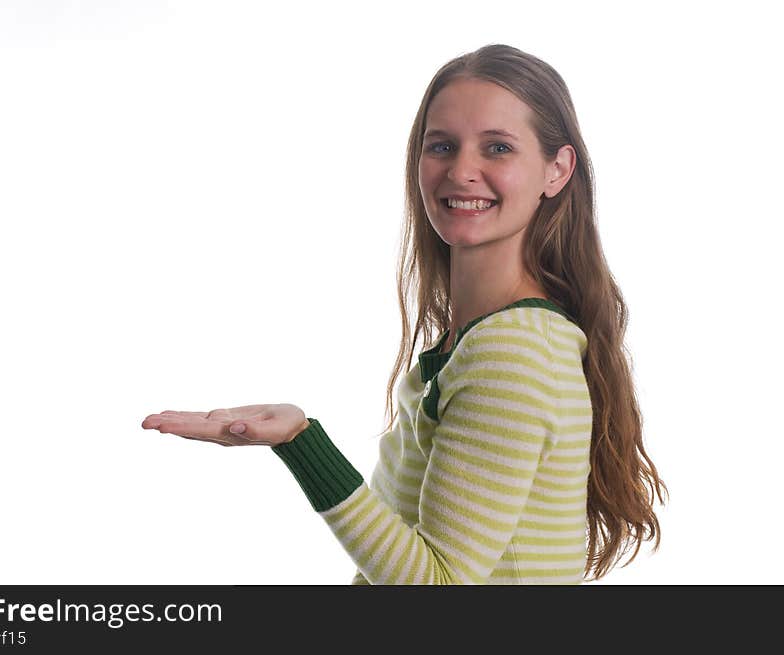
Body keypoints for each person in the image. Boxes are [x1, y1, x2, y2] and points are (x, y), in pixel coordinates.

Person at [141, 43, 668, 584]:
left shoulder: (512, 353)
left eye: (498, 148)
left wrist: (303, 445)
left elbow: (436, 585)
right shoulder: (475, 342)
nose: (462, 170)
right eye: (442, 145)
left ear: (555, 171)